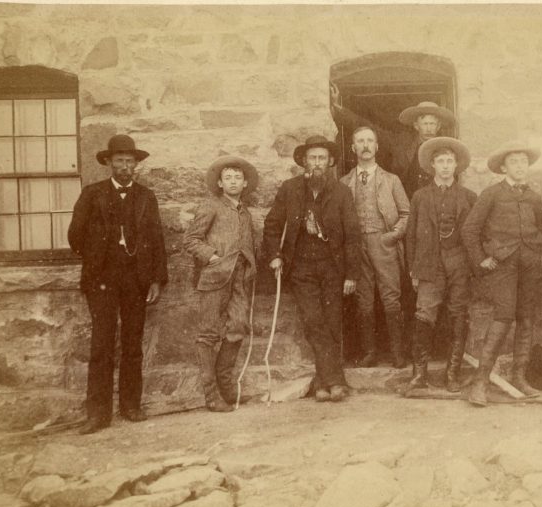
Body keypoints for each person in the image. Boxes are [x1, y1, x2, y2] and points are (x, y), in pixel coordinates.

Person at [67, 134, 167, 434]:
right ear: (109, 163)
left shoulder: (146, 197)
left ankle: (130, 406)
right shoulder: (92, 194)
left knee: (133, 344)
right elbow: (75, 236)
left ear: (136, 165)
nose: (125, 166)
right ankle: (98, 413)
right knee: (102, 344)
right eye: (120, 161)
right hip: (102, 280)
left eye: (130, 161)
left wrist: (156, 280)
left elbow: (157, 240)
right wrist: (99, 257)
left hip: (136, 281)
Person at [262, 136, 360, 402]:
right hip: (301, 268)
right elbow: (272, 225)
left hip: (332, 268)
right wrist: (275, 256)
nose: (317, 164)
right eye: (312, 158)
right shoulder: (290, 189)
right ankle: (336, 381)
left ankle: (322, 384)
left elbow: (352, 235)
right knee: (313, 321)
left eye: (322, 159)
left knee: (331, 322)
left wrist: (351, 274)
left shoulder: (342, 192)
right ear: (304, 161)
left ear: (329, 162)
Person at [461, 140, 542, 406]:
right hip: (503, 266)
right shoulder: (491, 194)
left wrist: (536, 252)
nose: (520, 166)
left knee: (526, 316)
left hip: (529, 264)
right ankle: (480, 382)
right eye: (514, 162)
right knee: (504, 314)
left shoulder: (533, 196)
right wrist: (481, 259)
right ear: (503, 167)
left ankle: (519, 377)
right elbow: (470, 230)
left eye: (523, 161)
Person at [183, 156, 259, 412]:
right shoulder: (211, 206)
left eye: (238, 177)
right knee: (208, 335)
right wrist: (213, 258)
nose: (234, 181)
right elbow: (191, 240)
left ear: (245, 182)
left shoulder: (245, 213)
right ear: (220, 182)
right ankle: (211, 395)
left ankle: (225, 385)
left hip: (239, 280)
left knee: (238, 326)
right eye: (228, 177)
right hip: (214, 278)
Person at [405, 136, 477, 393]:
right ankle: (419, 374)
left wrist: (473, 266)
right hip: (429, 263)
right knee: (424, 314)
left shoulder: (469, 197)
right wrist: (413, 269)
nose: (446, 166)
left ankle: (452, 374)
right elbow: (411, 235)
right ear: (432, 165)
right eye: (441, 161)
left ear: (456, 166)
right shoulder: (420, 197)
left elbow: (476, 235)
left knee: (459, 315)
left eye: (450, 161)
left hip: (459, 262)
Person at [338, 126, 410, 368]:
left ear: (377, 147)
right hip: (357, 247)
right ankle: (369, 353)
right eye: (360, 141)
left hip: (384, 242)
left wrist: (392, 236)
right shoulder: (344, 182)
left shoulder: (391, 180)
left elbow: (407, 214)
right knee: (364, 299)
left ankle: (398, 353)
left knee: (391, 298)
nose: (366, 145)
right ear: (353, 147)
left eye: (370, 141)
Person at [330, 87, 456, 199]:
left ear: (438, 126)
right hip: (406, 202)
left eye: (432, 124)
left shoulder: (446, 148)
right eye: (425, 124)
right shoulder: (401, 143)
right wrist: (339, 109)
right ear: (416, 126)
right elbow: (371, 129)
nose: (429, 128)